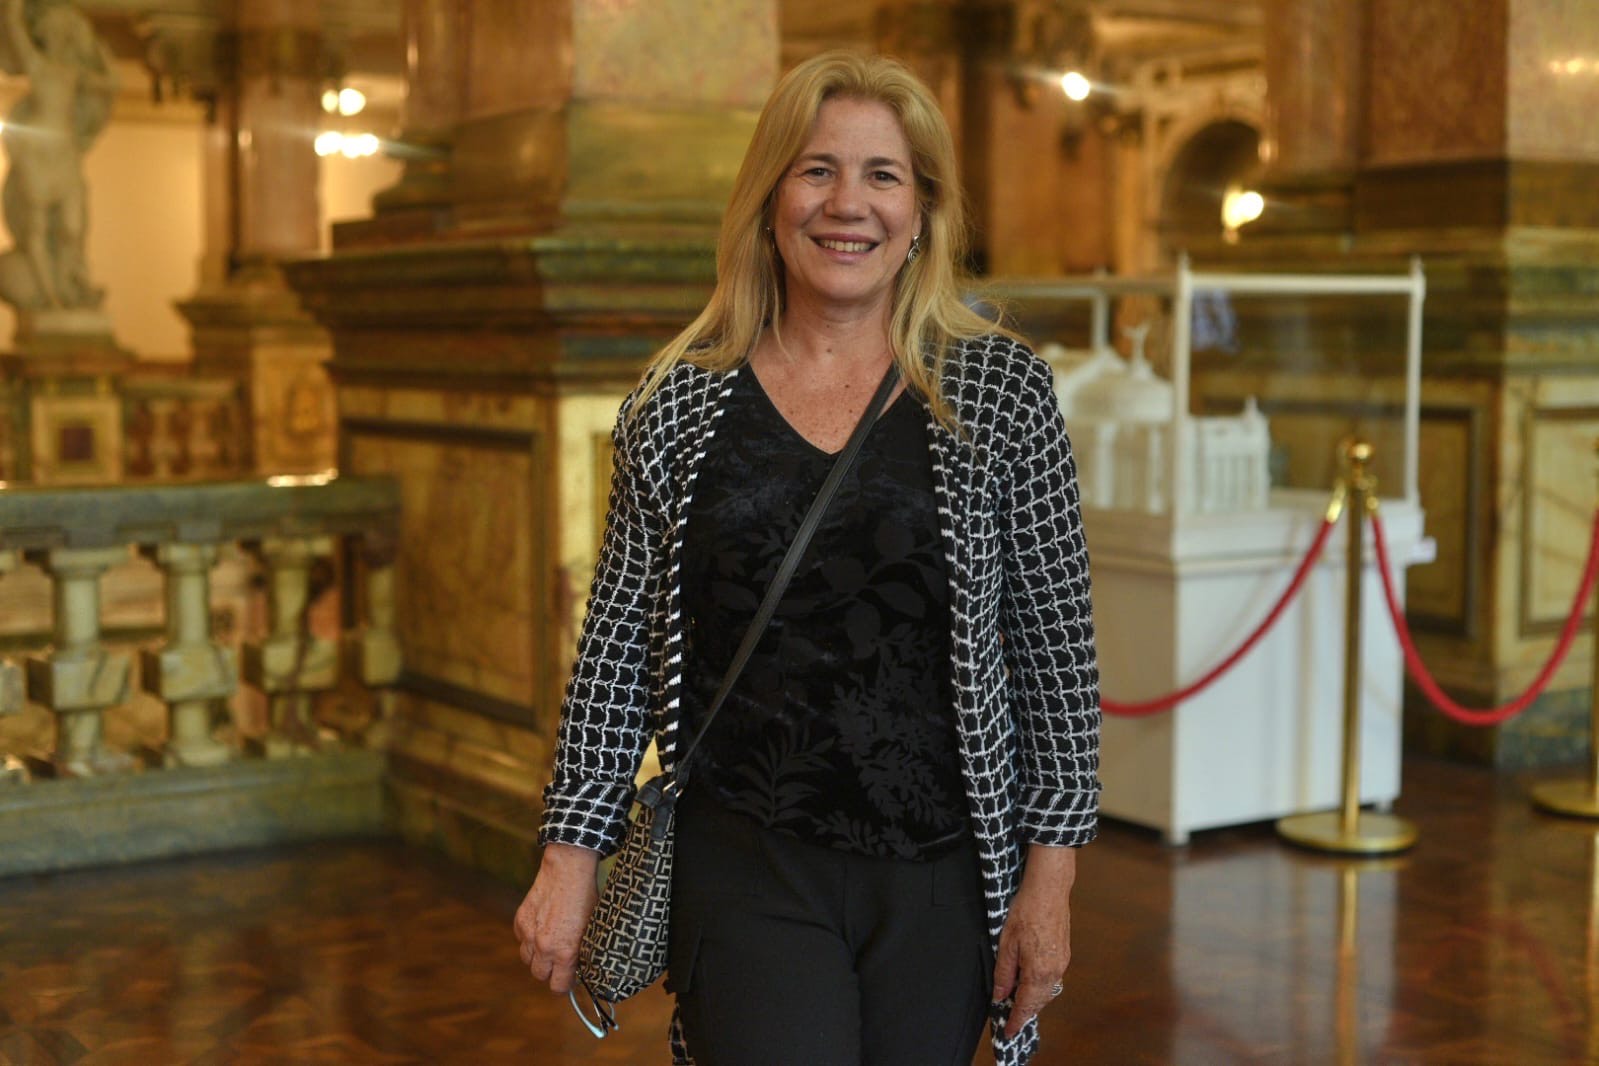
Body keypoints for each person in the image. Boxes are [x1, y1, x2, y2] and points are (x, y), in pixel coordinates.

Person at [515, 49, 1100, 1066]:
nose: (849, 204)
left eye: (883, 175)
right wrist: (571, 854)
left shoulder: (1001, 398)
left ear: (922, 211)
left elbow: (1060, 669)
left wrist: (1049, 887)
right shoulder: (677, 408)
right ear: (771, 196)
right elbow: (614, 651)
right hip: (750, 862)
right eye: (817, 169)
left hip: (942, 874)